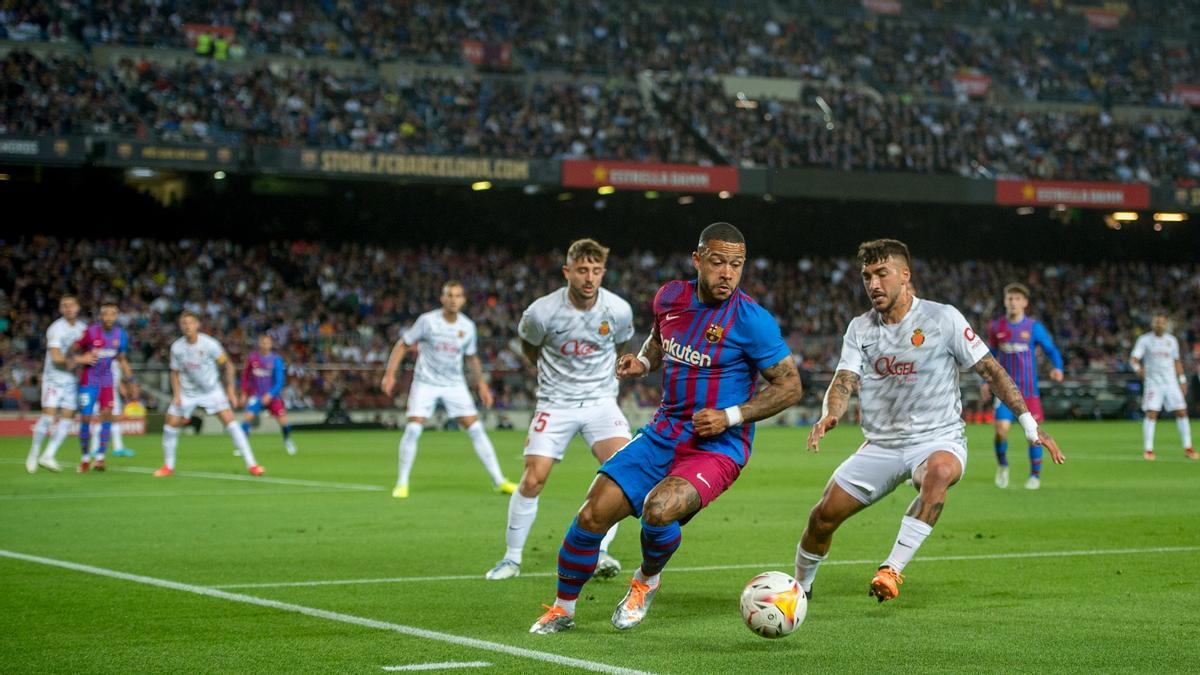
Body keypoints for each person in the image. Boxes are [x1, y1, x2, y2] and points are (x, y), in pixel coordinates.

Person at [529, 223, 802, 634]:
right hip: (663, 432)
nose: (727, 272)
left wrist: (730, 416)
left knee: (659, 510)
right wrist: (642, 362)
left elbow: (791, 386)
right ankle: (563, 608)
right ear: (697, 260)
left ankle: (645, 581)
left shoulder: (752, 320)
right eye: (717, 262)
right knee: (591, 514)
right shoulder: (670, 297)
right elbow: (659, 341)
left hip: (718, 446)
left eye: (736, 264)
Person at [795, 239, 1063, 604]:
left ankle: (891, 569)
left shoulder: (942, 318)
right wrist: (831, 413)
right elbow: (844, 379)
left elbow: (991, 370)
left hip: (938, 438)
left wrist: (1030, 425)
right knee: (822, 518)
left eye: (881, 274)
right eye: (866, 276)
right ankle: (799, 589)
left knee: (938, 472)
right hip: (882, 444)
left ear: (905, 276)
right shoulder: (860, 328)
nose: (873, 284)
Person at [485, 239, 635, 581]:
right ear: (567, 271)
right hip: (556, 404)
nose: (589, 278)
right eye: (582, 270)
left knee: (625, 473)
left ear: (603, 273)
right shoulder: (542, 312)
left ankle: (599, 552)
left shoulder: (618, 309)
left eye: (596, 271)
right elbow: (529, 345)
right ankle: (511, 558)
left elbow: (621, 344)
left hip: (600, 403)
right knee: (534, 478)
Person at [380, 281, 516, 498]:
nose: (453, 299)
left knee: (476, 429)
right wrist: (390, 375)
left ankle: (499, 481)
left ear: (463, 300)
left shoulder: (467, 326)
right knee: (414, 428)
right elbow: (402, 344)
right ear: (442, 298)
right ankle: (402, 483)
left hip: (454, 384)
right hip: (426, 382)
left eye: (458, 296)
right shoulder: (427, 321)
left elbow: (471, 358)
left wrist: (481, 384)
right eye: (449, 295)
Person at [154, 311, 263, 477]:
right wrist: (177, 396)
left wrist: (230, 391)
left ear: (197, 324)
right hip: (187, 393)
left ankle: (252, 464)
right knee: (170, 425)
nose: (187, 326)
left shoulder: (210, 344)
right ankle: (168, 466)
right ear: (180, 326)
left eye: (191, 322)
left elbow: (228, 366)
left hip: (211, 391)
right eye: (184, 323)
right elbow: (174, 372)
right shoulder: (177, 347)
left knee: (231, 423)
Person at [983, 282, 1064, 490]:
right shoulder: (996, 327)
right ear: (1004, 301)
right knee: (1001, 430)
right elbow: (987, 357)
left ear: (1025, 303)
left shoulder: (1033, 327)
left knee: (1034, 436)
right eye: (1010, 298)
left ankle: (1035, 475)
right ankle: (1003, 466)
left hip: (1029, 392)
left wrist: (1058, 367)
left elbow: (1051, 349)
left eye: (1017, 299)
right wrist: (985, 382)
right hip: (1004, 391)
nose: (1013, 302)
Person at [27, 295, 89, 473]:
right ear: (61, 309)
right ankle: (34, 453)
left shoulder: (83, 328)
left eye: (71, 305)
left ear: (78, 307)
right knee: (48, 417)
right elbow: (56, 358)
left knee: (68, 418)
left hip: (72, 380)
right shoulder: (56, 328)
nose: (68, 308)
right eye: (64, 306)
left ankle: (49, 455)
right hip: (53, 379)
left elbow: (88, 352)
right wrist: (79, 359)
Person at [73, 301, 137, 473]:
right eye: (106, 313)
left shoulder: (120, 334)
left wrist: (131, 380)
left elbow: (122, 359)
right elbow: (72, 351)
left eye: (113, 313)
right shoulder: (91, 332)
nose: (109, 317)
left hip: (107, 382)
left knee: (107, 417)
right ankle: (85, 458)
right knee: (86, 418)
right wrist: (81, 359)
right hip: (89, 381)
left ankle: (100, 458)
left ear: (117, 316)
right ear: (101, 316)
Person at [1131, 313, 1194, 460]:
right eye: (1157, 322)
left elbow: (1177, 361)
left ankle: (1188, 448)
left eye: (1162, 323)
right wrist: (1137, 369)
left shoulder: (1172, 341)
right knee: (1151, 413)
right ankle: (1148, 450)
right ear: (1153, 324)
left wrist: (1182, 379)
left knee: (1182, 412)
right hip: (1153, 383)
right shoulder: (1145, 340)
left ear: (1166, 325)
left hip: (1171, 382)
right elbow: (1134, 358)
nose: (1159, 325)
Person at [240, 333, 297, 456]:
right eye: (263, 342)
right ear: (259, 344)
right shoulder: (252, 358)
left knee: (284, 423)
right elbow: (245, 376)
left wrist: (270, 394)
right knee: (247, 418)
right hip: (257, 395)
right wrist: (244, 392)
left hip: (273, 397)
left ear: (271, 344)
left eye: (267, 343)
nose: (265, 345)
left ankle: (287, 440)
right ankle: (242, 446)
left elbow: (280, 382)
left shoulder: (276, 360)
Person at [90, 356, 135, 459]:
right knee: (101, 419)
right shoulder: (104, 359)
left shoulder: (114, 361)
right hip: (102, 392)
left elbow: (116, 378)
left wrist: (121, 388)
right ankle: (95, 448)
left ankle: (117, 448)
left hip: (112, 392)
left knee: (115, 420)